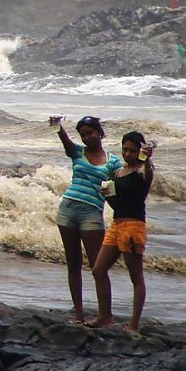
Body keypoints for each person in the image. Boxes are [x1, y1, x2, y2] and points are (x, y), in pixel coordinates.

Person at [50, 115, 123, 323]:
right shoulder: (77, 153)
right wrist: (57, 125)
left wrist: (145, 163)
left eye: (90, 133)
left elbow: (120, 184)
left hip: (92, 213)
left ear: (100, 132)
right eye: (83, 135)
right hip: (68, 210)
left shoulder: (113, 161)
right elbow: (64, 139)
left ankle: (105, 316)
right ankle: (79, 314)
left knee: (98, 267)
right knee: (73, 263)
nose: (87, 138)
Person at [87, 131, 154, 332]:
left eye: (133, 150)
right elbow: (117, 204)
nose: (128, 154)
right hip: (117, 224)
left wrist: (148, 159)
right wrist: (106, 195)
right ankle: (104, 316)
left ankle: (134, 324)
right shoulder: (118, 173)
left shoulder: (141, 171)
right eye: (125, 149)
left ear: (139, 151)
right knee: (98, 270)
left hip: (134, 226)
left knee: (136, 277)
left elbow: (149, 177)